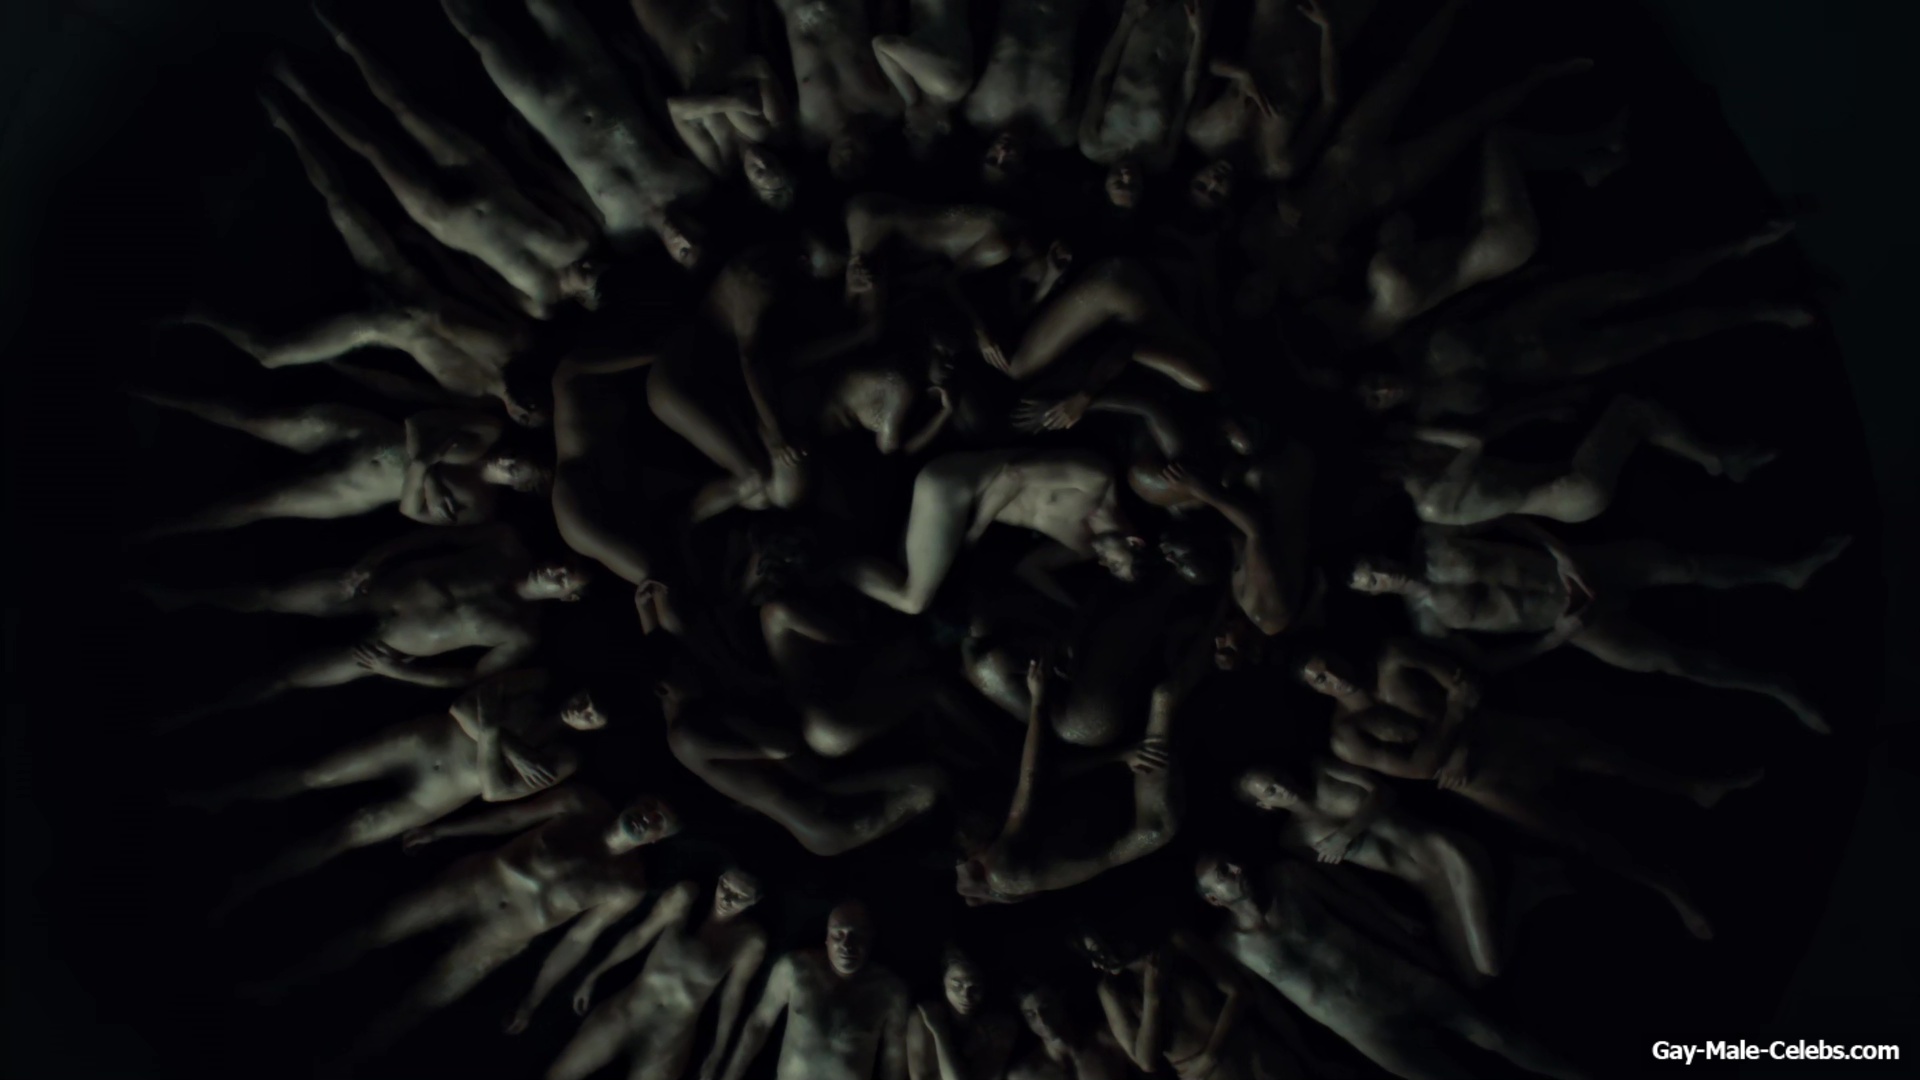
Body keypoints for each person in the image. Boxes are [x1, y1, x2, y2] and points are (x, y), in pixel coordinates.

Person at [1295, 641, 1749, 939]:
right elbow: (1418, 768)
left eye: (1328, 663)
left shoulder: (1392, 657)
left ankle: (1694, 787)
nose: (1334, 675)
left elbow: (1466, 684)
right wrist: (1456, 716)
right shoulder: (1347, 734)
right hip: (1482, 783)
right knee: (1580, 837)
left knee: (1606, 757)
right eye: (1320, 678)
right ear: (1314, 691)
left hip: (1503, 734)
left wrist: (1458, 730)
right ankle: (1670, 890)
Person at [177, 84, 542, 423]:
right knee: (341, 202)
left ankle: (197, 312)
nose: (523, 409)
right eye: (533, 406)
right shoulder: (516, 342)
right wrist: (429, 247)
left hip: (374, 328)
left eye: (525, 416)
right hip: (403, 279)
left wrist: (343, 366)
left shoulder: (473, 398)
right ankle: (288, 122)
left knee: (270, 355)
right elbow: (469, 287)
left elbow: (405, 387)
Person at [258, 787, 679, 1064]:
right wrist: (444, 830)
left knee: (422, 1000)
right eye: (651, 805)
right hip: (472, 887)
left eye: (660, 820)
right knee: (373, 931)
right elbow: (509, 819)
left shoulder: (627, 886)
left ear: (657, 838)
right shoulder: (580, 803)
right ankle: (283, 983)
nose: (649, 816)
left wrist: (533, 1000)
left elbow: (578, 940)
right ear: (636, 799)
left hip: (499, 938)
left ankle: (343, 1064)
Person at [1239, 0, 1591, 313]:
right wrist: (1335, 255)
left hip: (1345, 152)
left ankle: (1454, 6)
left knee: (1406, 70)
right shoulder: (1303, 287)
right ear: (1270, 306)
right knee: (1465, 124)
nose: (1259, 291)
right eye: (1260, 300)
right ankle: (1542, 76)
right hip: (1380, 188)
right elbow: (1361, 266)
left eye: (1249, 291)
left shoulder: (1252, 239)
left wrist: (1283, 204)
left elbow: (1266, 184)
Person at [182, 669, 607, 918]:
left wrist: (494, 730)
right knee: (313, 774)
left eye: (592, 716)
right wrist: (508, 744)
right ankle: (215, 796)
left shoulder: (563, 757)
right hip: (423, 743)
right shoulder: (538, 681)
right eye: (587, 699)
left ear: (595, 730)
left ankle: (250, 885)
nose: (582, 710)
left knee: (349, 833)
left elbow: (496, 792)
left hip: (438, 792)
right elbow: (463, 706)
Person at [1349, 524, 1849, 731]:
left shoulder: (1431, 538)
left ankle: (1786, 572)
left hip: (1577, 569)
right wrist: (1555, 639)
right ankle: (1775, 687)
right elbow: (1489, 663)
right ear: (1371, 594)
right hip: (1570, 624)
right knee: (1671, 662)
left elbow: (1511, 520)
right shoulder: (1427, 624)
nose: (1382, 574)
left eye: (1374, 564)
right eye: (1371, 581)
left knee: (1685, 565)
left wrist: (1560, 551)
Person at [279, 15, 603, 320]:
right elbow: (546, 191)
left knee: (373, 148)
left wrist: (439, 248)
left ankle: (302, 93)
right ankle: (346, 38)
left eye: (594, 280)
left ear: (586, 301)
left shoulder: (541, 302)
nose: (593, 269)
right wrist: (516, 166)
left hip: (448, 221)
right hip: (486, 181)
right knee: (407, 109)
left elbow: (482, 286)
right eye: (600, 270)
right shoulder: (580, 239)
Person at [1197, 856, 1589, 1080]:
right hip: (1364, 1026)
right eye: (1223, 873)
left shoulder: (1288, 877)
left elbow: (1356, 910)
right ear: (1214, 899)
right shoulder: (1229, 947)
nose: (1237, 867)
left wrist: (1412, 946)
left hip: (1398, 979)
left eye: (1232, 861)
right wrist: (1305, 1053)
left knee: (1496, 1034)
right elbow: (1265, 1003)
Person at [157, 529, 586, 727]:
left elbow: (472, 678)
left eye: (566, 579)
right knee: (268, 595)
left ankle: (195, 714)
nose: (556, 570)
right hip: (373, 591)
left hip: (385, 649)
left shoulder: (522, 632)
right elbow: (432, 537)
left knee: (287, 678)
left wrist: (399, 671)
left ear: (568, 597)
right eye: (563, 563)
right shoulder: (507, 543)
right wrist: (373, 559)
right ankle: (174, 597)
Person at [440, 0, 710, 262]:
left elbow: (569, 191)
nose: (683, 237)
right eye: (696, 237)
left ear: (672, 259)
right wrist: (641, 67)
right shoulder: (691, 181)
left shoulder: (623, 232)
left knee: (483, 39)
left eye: (683, 251)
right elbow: (662, 117)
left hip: (546, 108)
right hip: (594, 72)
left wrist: (529, 153)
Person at [124, 392, 535, 539]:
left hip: (354, 490)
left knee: (256, 504)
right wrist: (426, 469)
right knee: (253, 418)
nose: (508, 459)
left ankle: (150, 532)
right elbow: (416, 421)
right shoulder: (487, 433)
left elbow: (410, 511)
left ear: (518, 487)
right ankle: (147, 391)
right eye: (517, 454)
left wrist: (424, 470)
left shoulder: (480, 507)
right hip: (364, 435)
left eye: (514, 468)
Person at [1233, 757, 1500, 984]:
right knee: (1473, 981)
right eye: (1270, 791)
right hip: (1430, 886)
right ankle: (1518, 885)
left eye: (1278, 777)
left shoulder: (1321, 770)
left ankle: (1501, 868)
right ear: (1264, 805)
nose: (1282, 787)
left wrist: (1346, 835)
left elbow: (1384, 792)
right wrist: (1392, 915)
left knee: (1488, 965)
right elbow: (1345, 881)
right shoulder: (1294, 839)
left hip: (1443, 852)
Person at [954, 655, 1185, 904]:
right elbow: (1031, 779)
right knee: (1163, 695)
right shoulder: (1001, 872)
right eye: (964, 835)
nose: (966, 830)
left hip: (1112, 793)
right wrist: (1038, 699)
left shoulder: (996, 852)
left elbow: (1049, 776)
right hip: (1149, 823)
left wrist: (1119, 756)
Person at [1381, 394, 1775, 527]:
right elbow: (1473, 442)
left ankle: (1714, 460)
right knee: (1630, 410)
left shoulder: (1439, 490)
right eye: (1408, 453)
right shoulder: (1433, 501)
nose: (1423, 453)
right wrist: (1414, 431)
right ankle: (1716, 460)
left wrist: (1543, 409)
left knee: (1636, 424)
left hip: (1571, 491)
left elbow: (1491, 442)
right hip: (1574, 491)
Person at [661, 674, 945, 856]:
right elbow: (784, 749)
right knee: (932, 778)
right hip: (825, 820)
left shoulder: (682, 723)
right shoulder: (691, 729)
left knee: (929, 774)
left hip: (818, 820)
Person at [842, 449, 1147, 615]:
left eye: (1110, 569)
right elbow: (1014, 474)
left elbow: (1030, 568)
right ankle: (833, 564)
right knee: (914, 602)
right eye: (1116, 563)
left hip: (956, 510)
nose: (1104, 563)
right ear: (1134, 541)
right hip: (954, 485)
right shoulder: (1097, 479)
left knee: (899, 567)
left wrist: (1074, 607)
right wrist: (976, 530)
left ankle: (845, 560)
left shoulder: (1084, 546)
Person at [549, 871, 770, 1080]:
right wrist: (595, 974)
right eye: (725, 887)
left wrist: (717, 1052)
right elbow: (639, 936)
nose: (727, 899)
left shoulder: (749, 940)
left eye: (739, 897)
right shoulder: (685, 899)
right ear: (719, 878)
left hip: (671, 1035)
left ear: (753, 902)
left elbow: (732, 996)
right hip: (629, 1011)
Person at [1075, 926, 1309, 1080]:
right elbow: (1146, 1061)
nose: (1097, 963)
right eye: (1091, 956)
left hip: (1256, 1055)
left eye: (1098, 951)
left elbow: (1239, 992)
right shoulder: (1112, 990)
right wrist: (1153, 994)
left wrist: (1211, 1055)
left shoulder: (1174, 942)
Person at [627, 0, 798, 209]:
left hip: (673, 33)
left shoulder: (720, 159)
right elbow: (760, 67)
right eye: (771, 163)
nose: (761, 160)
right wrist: (709, 96)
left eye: (759, 172)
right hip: (718, 13)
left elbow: (675, 108)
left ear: (751, 186)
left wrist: (731, 101)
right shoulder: (772, 126)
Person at [719, 900, 911, 1080]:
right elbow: (759, 1024)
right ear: (827, 938)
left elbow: (893, 1060)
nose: (846, 945)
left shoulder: (890, 991)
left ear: (870, 939)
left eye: (857, 935)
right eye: (838, 934)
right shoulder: (795, 970)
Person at [1184, 0, 1353, 179]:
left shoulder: (1200, 129)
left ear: (1194, 177)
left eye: (1201, 185)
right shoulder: (1279, 163)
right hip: (1321, 36)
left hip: (1270, 18)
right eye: (1216, 192)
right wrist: (1328, 29)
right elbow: (1330, 102)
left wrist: (1241, 74)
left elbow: (1206, 66)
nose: (1214, 181)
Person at [1078, 0, 1212, 204]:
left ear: (1104, 184)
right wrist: (1200, 35)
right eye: (1133, 186)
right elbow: (1185, 96)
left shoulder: (1093, 144)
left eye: (1119, 183)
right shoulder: (1160, 158)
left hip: (1142, 29)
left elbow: (1102, 77)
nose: (1127, 177)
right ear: (1143, 187)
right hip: (1182, 41)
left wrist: (1127, 20)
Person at [768, 0, 902, 179]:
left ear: (829, 164)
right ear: (875, 155)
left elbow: (772, 59)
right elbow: (890, 29)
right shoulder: (887, 104)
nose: (848, 154)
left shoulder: (807, 130)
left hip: (793, 7)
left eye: (842, 165)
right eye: (860, 162)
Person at [966, 0, 1090, 180]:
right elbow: (1089, 73)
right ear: (1022, 168)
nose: (1003, 152)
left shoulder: (977, 111)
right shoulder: (1061, 131)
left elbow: (978, 34)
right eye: (1008, 164)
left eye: (992, 159)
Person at [871, 0, 975, 157]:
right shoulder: (946, 85)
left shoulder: (935, 89)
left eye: (906, 136)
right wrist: (909, 99)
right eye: (916, 136)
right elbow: (882, 44)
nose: (906, 131)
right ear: (943, 126)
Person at [908, 947, 1017, 1080]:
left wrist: (940, 1033)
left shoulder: (1001, 1026)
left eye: (975, 987)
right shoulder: (924, 1017)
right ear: (943, 981)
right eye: (957, 986)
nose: (966, 996)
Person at [1005, 982, 1131, 1080]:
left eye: (1046, 1007)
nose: (1042, 1019)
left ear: (1060, 1000)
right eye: (1031, 1015)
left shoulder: (1106, 1042)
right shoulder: (1023, 1075)